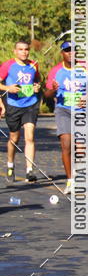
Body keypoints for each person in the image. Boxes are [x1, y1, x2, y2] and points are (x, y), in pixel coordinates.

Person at [44, 40, 88, 195]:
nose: (71, 53)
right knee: (66, 144)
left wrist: (87, 97)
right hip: (63, 110)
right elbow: (47, 94)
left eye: (73, 50)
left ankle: (77, 173)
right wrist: (53, 90)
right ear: (62, 53)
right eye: (67, 50)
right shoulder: (56, 71)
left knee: (81, 149)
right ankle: (70, 180)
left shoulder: (84, 69)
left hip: (81, 111)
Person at [0, 39, 42, 183]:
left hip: (30, 104)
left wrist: (37, 87)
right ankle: (10, 165)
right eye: (21, 49)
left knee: (29, 137)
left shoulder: (33, 65)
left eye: (26, 49)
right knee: (14, 138)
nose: (24, 52)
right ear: (15, 51)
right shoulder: (8, 65)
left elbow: (38, 81)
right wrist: (8, 88)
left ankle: (29, 170)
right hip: (13, 105)